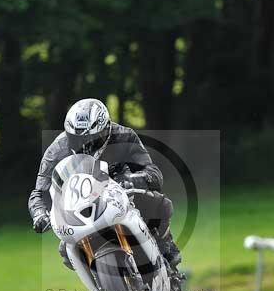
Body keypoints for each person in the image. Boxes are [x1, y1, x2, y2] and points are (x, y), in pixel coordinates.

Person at [28, 98, 181, 269]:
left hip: (122, 195)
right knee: (65, 249)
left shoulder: (124, 136)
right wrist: (39, 214)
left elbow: (152, 171)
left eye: (92, 138)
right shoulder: (56, 151)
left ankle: (165, 246)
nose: (85, 146)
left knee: (158, 203)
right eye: (77, 139)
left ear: (106, 128)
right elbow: (40, 192)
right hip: (80, 208)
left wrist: (137, 179)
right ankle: (100, 278)